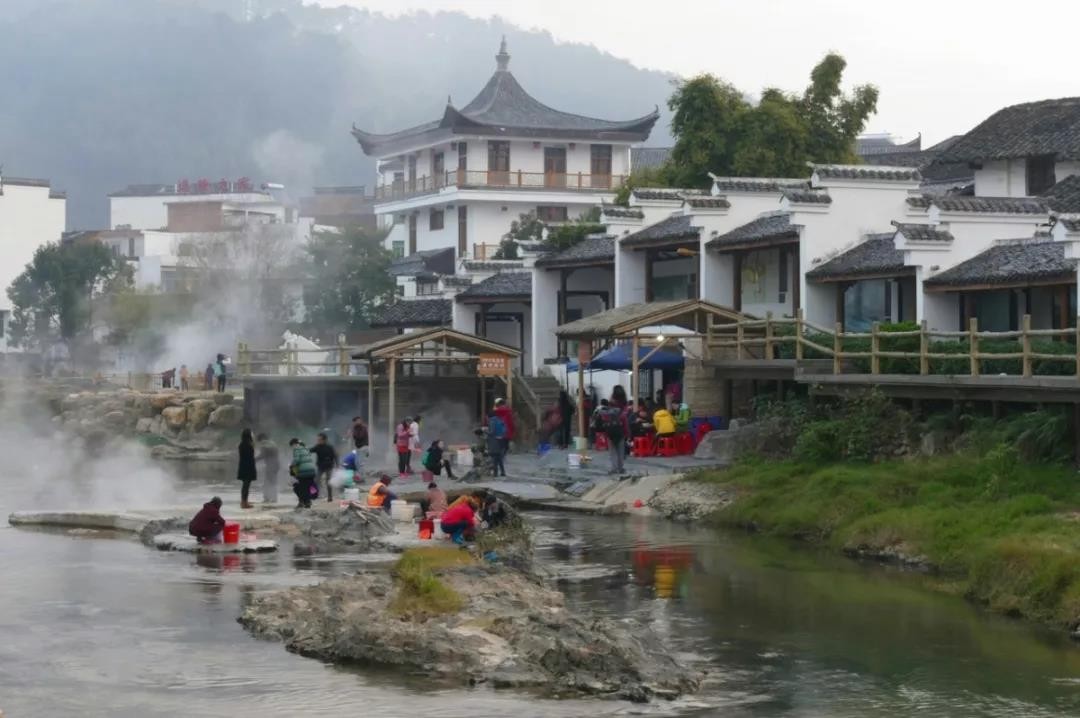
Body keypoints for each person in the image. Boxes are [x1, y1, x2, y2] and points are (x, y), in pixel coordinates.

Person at [596, 396, 628, 475]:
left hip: (610, 435)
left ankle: (614, 468)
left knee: (613, 452)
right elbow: (625, 425)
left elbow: (602, 424)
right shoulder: (622, 413)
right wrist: (627, 434)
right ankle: (620, 469)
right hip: (620, 435)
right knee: (620, 452)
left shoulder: (605, 414)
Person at [309, 432, 338, 503]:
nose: (318, 441)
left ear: (324, 440)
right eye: (318, 440)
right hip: (320, 467)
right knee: (316, 480)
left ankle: (330, 497)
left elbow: (335, 456)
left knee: (328, 482)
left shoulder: (330, 447)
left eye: (320, 440)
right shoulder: (317, 447)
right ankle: (313, 495)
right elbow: (310, 450)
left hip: (329, 467)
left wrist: (337, 465)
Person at [289, 438, 317, 508]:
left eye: (292, 446)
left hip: (304, 472)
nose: (292, 447)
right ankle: (308, 500)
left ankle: (305, 502)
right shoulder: (305, 448)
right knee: (308, 486)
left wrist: (291, 465)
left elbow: (297, 460)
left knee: (300, 487)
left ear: (294, 444)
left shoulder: (296, 449)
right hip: (311, 470)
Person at [256, 433, 280, 504]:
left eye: (259, 441)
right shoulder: (273, 443)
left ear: (261, 439)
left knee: (267, 483)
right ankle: (274, 498)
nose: (259, 443)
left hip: (270, 465)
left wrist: (253, 460)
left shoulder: (264, 444)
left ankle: (267, 498)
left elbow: (262, 455)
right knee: (273, 482)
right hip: (276, 464)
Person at [237, 428, 257, 509]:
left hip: (244, 466)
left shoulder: (243, 443)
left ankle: (244, 501)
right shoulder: (247, 444)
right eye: (252, 433)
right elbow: (249, 456)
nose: (253, 434)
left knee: (246, 485)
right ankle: (244, 502)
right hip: (247, 467)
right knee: (246, 485)